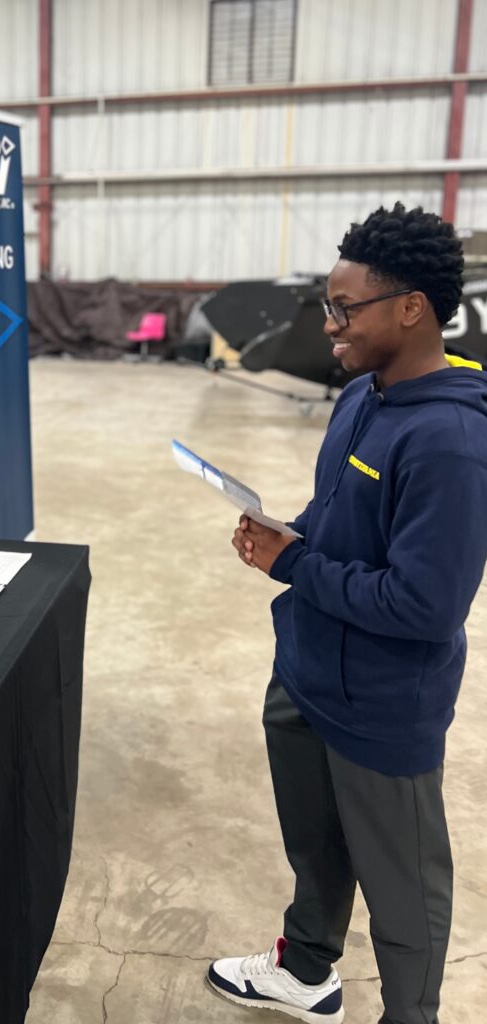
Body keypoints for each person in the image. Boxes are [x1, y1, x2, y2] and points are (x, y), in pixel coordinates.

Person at [207, 203, 487, 1024]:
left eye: (343, 308)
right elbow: (343, 517)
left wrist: (293, 564)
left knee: (403, 893)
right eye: (327, 306)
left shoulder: (448, 441)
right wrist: (289, 531)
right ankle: (304, 972)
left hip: (379, 701)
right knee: (317, 850)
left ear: (411, 308)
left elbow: (424, 605)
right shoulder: (362, 396)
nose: (327, 324)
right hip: (306, 670)